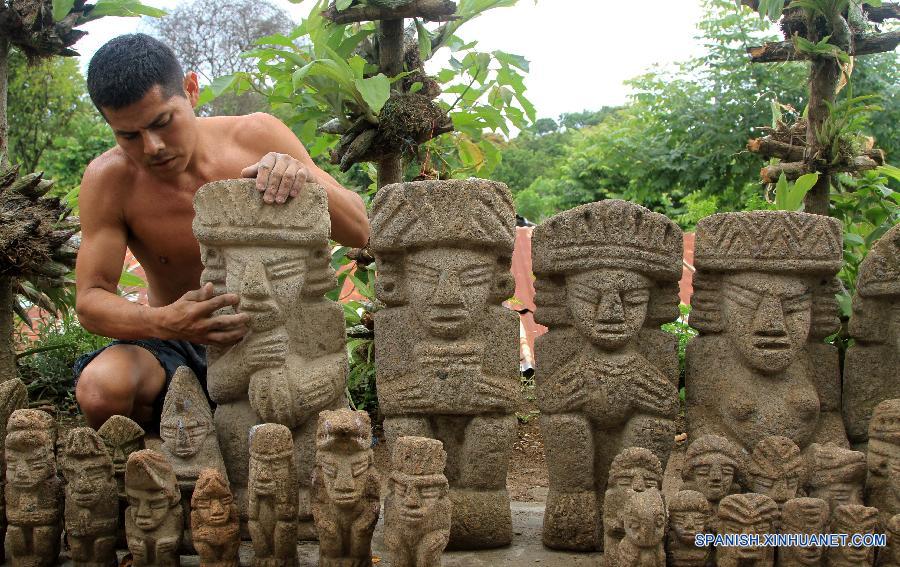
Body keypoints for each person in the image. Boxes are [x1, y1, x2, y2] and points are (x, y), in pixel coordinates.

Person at [73, 34, 370, 430]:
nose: (152, 147)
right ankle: (173, 459)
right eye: (128, 136)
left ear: (192, 90)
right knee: (99, 391)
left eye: (162, 122)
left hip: (278, 340)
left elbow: (359, 230)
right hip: (176, 343)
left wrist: (306, 181)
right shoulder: (109, 181)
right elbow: (91, 301)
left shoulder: (256, 137)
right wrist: (165, 321)